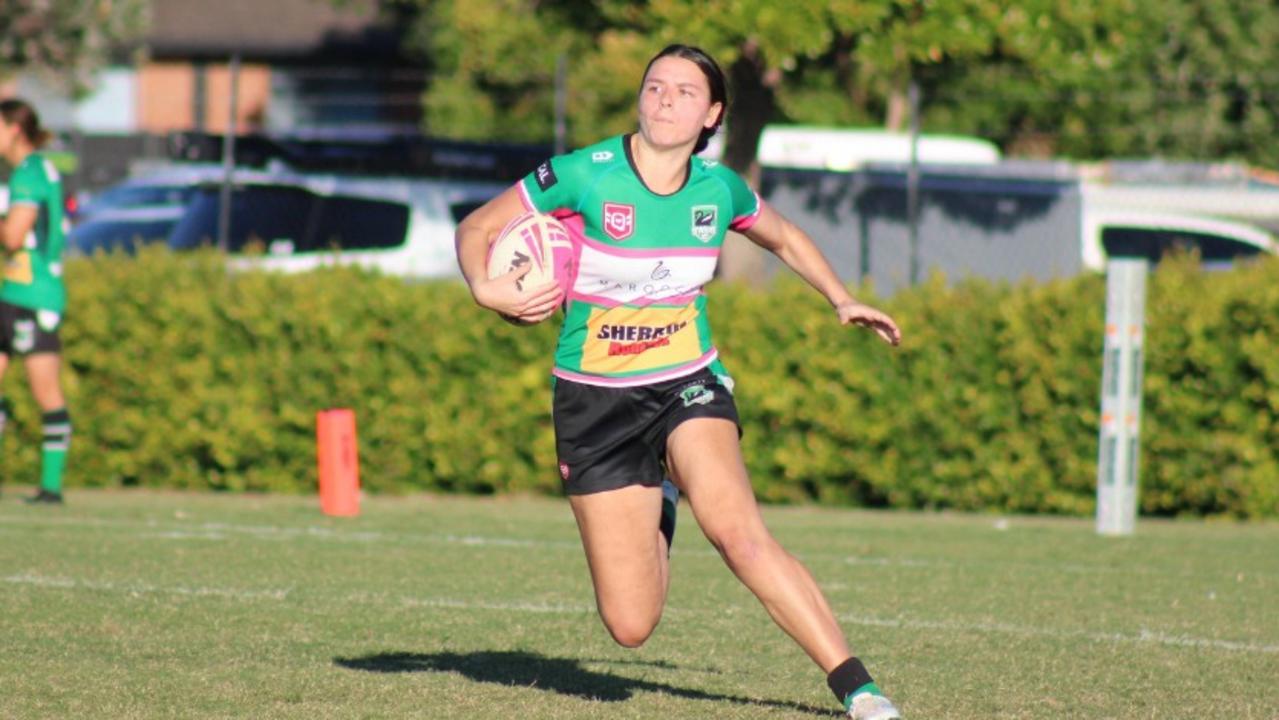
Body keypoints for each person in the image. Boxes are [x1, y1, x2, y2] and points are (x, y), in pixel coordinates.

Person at [454, 45, 904, 720]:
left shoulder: (717, 189)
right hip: (593, 401)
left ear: (712, 114)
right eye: (655, 87)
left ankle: (858, 689)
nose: (665, 100)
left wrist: (839, 298)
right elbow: (478, 226)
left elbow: (783, 237)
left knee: (735, 531)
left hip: (687, 382)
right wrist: (486, 288)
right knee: (630, 626)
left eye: (685, 92)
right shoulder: (584, 173)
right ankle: (662, 495)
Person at [0, 98, 72, 505]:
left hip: (35, 296)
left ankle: (51, 488)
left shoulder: (29, 173)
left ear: (13, 129)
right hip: (10, 291)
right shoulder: (27, 171)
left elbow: (13, 236)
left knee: (46, 392)